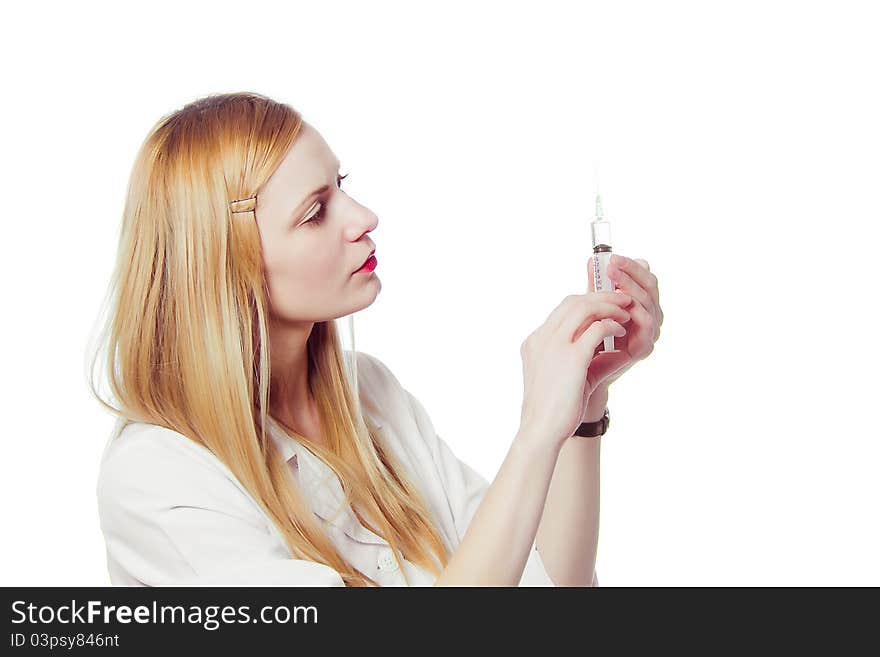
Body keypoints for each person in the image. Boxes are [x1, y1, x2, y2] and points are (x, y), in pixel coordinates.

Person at [91, 91, 663, 587]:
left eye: (340, 186)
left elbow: (545, 587)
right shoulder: (159, 479)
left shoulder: (368, 392)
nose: (364, 216)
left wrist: (583, 404)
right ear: (225, 265)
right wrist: (535, 432)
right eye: (315, 211)